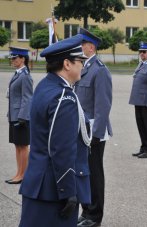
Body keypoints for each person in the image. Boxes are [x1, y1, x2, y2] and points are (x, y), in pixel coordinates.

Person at [19, 35, 92, 227]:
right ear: (67, 64)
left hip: (39, 182)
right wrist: (68, 192)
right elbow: (62, 149)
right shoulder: (64, 97)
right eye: (80, 61)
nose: (83, 66)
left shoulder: (46, 85)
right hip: (54, 190)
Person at [75, 28, 113, 227]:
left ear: (90, 47)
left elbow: (103, 105)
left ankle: (95, 216)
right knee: (83, 171)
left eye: (81, 45)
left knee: (94, 173)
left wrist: (96, 134)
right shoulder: (82, 67)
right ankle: (86, 209)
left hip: (93, 132)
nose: (78, 48)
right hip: (81, 129)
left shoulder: (99, 70)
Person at [5, 47, 33, 185]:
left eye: (15, 58)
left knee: (23, 146)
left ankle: (24, 175)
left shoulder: (25, 76)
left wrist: (22, 117)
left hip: (21, 117)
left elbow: (27, 98)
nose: (13, 60)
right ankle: (18, 172)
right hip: (14, 115)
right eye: (12, 58)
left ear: (23, 59)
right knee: (17, 146)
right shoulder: (17, 74)